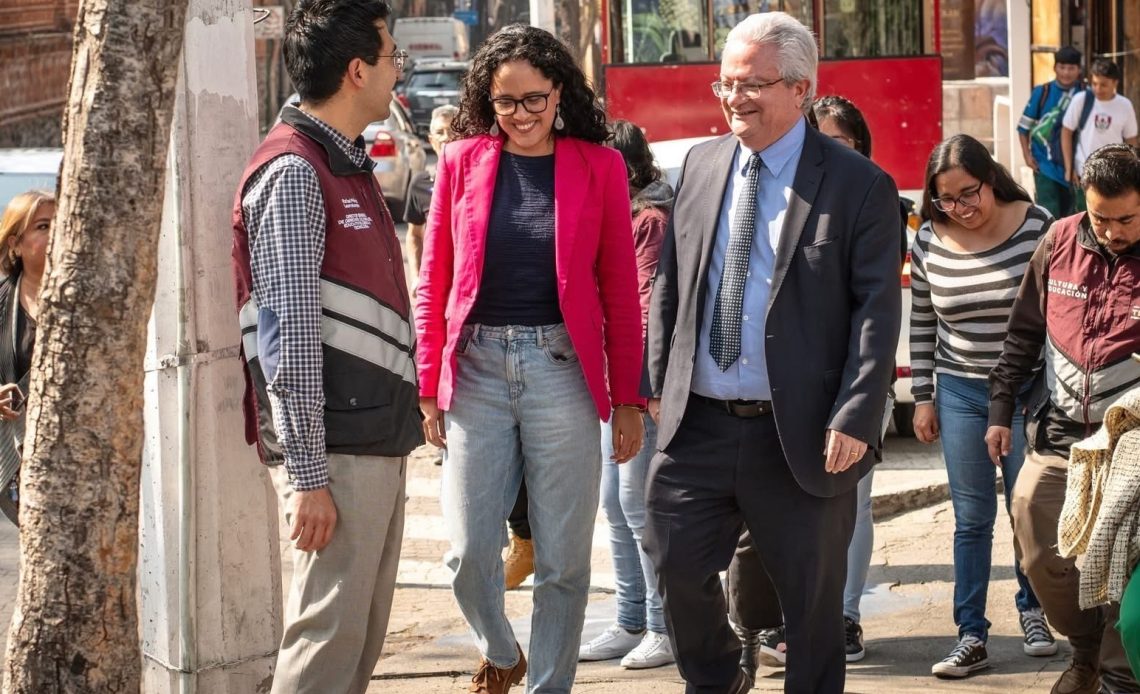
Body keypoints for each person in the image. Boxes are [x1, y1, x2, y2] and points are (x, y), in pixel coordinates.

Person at [642, 12, 901, 694]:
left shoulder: (856, 185)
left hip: (803, 432)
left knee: (812, 611)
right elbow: (672, 281)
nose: (734, 98)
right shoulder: (699, 164)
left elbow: (877, 312)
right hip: (696, 422)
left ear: (801, 90)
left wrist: (856, 414)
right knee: (673, 567)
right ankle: (720, 678)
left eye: (753, 84)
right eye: (725, 83)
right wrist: (651, 385)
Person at [414, 24, 645, 694]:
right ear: (488, 99)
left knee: (565, 563)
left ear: (560, 93)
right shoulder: (460, 160)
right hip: (478, 368)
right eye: (505, 101)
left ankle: (549, 685)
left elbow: (620, 295)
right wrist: (427, 383)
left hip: (562, 369)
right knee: (465, 553)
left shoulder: (598, 166)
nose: (520, 115)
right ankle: (500, 647)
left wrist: (627, 397)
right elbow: (434, 279)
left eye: (534, 100)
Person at [230, 2, 422, 692]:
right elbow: (289, 334)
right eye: (394, 56)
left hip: (372, 436)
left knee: (358, 639)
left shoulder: (339, 161)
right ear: (357, 69)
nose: (401, 70)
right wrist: (309, 476)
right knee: (327, 641)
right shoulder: (294, 172)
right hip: (336, 449)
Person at [727, 94, 905, 673]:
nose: (824, 153)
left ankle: (840, 618)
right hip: (770, 399)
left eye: (841, 143)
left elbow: (877, 311)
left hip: (847, 393)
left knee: (840, 519)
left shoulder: (871, 197)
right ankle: (756, 626)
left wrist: (855, 408)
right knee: (756, 530)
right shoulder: (767, 198)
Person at [988, 143, 1140, 694]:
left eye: (1125, 219)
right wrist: (1000, 409)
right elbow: (1024, 333)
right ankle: (1085, 651)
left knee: (1126, 560)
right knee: (1032, 529)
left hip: (1130, 445)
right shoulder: (1057, 242)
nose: (1112, 230)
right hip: (1058, 436)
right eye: (1101, 217)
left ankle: (1118, 675)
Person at [906, 134, 1056, 679]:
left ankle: (1034, 610)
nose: (959, 209)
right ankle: (971, 633)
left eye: (968, 195)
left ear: (989, 179)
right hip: (961, 391)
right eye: (945, 200)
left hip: (1028, 392)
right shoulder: (927, 239)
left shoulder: (1035, 224)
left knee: (1027, 511)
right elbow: (922, 321)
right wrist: (923, 396)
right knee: (971, 518)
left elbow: (1055, 313)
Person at [578, 118, 674, 670]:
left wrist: (637, 395)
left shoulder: (649, 222)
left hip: (637, 391)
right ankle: (630, 618)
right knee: (616, 507)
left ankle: (664, 627)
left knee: (641, 509)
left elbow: (644, 314)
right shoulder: (614, 217)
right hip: (610, 386)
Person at [0, 190, 53, 526]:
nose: (57, 233)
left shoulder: (87, 296)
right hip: (26, 458)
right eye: (43, 226)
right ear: (15, 244)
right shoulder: (2, 301)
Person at [1061, 59, 1138, 213]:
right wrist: (1069, 168)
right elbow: (1066, 131)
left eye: (1103, 84)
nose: (1098, 89)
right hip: (1084, 170)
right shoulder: (1081, 100)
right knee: (1085, 216)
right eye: (1094, 83)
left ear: (1115, 82)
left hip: (1113, 173)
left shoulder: (1125, 105)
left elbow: (1131, 140)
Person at [1018, 46, 1084, 218]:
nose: (1066, 72)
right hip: (1045, 167)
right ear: (1055, 68)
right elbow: (1023, 128)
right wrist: (1027, 155)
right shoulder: (1042, 92)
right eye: (1062, 67)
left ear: (1079, 69)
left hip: (1077, 170)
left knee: (1077, 218)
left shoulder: (1086, 94)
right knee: (1049, 216)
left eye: (1071, 68)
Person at [404, 103, 457, 294]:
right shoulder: (420, 183)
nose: (446, 138)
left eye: (452, 130)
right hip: (438, 285)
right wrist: (416, 276)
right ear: (431, 140)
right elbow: (414, 234)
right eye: (440, 132)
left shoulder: (479, 178)